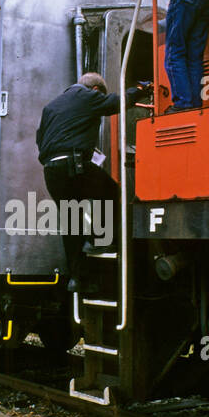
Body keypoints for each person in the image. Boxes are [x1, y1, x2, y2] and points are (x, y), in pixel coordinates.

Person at [35, 72, 151, 292]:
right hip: (74, 165)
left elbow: (40, 140)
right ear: (96, 90)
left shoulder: (51, 107)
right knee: (110, 191)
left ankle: (77, 279)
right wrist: (141, 90)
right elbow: (116, 102)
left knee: (71, 222)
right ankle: (99, 240)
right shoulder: (86, 96)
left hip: (51, 171)